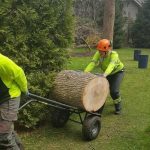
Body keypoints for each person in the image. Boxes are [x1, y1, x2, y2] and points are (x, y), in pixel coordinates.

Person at [84, 39, 124, 115]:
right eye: (99, 50)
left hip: (117, 72)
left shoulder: (114, 55)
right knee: (101, 90)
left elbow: (111, 65)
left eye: (101, 51)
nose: (99, 52)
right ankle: (97, 108)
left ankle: (118, 106)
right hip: (107, 73)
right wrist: (85, 72)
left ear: (107, 50)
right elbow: (92, 63)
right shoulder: (98, 54)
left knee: (114, 91)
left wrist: (104, 75)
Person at [0, 53, 28, 149]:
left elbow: (18, 73)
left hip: (10, 97)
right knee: (7, 130)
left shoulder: (2, 61)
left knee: (3, 135)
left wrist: (24, 89)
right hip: (2, 97)